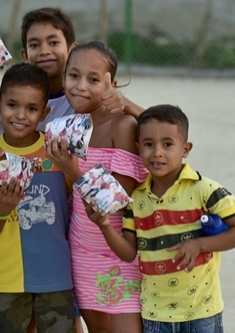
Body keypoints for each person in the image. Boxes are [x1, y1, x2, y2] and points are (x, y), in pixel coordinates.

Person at [89, 104, 235, 332]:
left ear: (185, 149)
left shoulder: (205, 190)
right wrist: (105, 225)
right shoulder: (135, 200)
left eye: (167, 144)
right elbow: (128, 252)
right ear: (138, 149)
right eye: (148, 145)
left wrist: (199, 244)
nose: (157, 152)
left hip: (202, 311)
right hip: (156, 314)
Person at [45, 41, 149, 333]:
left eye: (93, 80)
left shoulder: (123, 125)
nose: (80, 86)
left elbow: (116, 199)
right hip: (82, 253)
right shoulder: (66, 127)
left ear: (111, 85)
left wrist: (71, 170)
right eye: (73, 76)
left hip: (121, 252)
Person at [0, 63, 76, 333]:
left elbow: (76, 210)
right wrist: (1, 209)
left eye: (32, 108)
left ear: (44, 113)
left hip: (57, 276)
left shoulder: (59, 154)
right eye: (12, 105)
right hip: (5, 280)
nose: (20, 115)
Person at [0, 6, 144, 144]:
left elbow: (158, 124)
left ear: (72, 50)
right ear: (25, 56)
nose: (44, 51)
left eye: (53, 42)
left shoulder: (82, 96)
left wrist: (124, 103)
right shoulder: (20, 95)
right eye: (35, 45)